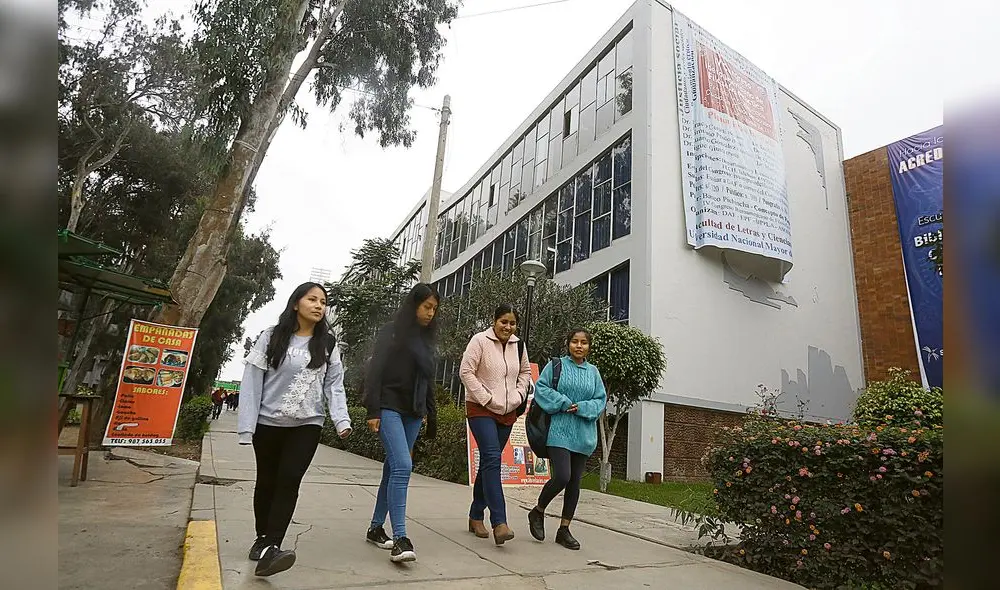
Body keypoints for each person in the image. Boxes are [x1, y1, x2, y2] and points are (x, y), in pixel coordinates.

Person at [237, 282, 352, 577]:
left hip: (307, 425)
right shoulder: (271, 337)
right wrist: (246, 427)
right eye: (312, 299)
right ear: (295, 304)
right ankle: (262, 538)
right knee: (267, 482)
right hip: (267, 424)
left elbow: (334, 385)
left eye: (323, 301)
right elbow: (252, 382)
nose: (318, 305)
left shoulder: (327, 344)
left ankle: (272, 548)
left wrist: (341, 420)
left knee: (289, 480)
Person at [363, 283, 440, 563]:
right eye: (426, 307)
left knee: (392, 468)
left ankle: (375, 527)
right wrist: (373, 409)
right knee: (404, 466)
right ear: (413, 305)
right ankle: (400, 538)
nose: (430, 313)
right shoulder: (391, 332)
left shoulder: (427, 340)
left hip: (414, 412)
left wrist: (431, 414)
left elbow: (429, 380)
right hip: (388, 406)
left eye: (434, 308)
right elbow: (375, 371)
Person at [527, 328, 607, 550]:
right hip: (558, 431)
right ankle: (538, 511)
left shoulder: (593, 372)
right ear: (568, 344)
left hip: (583, 434)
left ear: (589, 347)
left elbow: (600, 400)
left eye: (583, 343)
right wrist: (562, 402)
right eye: (574, 341)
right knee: (562, 476)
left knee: (574, 483)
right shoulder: (556, 365)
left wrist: (582, 407)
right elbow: (541, 389)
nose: (579, 346)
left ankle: (564, 529)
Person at [459, 303, 531, 544]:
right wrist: (486, 398)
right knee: (492, 458)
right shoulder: (479, 341)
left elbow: (525, 373)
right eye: (503, 322)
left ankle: (475, 514)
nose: (507, 327)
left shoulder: (519, 345)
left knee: (489, 462)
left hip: (508, 411)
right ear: (494, 320)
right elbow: (466, 372)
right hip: (481, 409)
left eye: (512, 323)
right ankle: (499, 522)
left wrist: (519, 396)